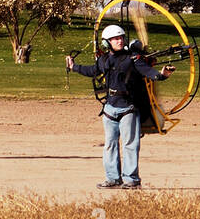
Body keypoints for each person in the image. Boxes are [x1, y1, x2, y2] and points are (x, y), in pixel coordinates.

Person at [67, 24, 174, 189]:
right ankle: (112, 178)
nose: (120, 41)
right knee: (110, 144)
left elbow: (148, 72)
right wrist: (74, 67)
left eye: (121, 38)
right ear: (106, 43)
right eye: (115, 39)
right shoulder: (104, 60)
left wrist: (162, 75)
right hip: (110, 109)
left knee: (130, 144)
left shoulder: (133, 59)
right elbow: (92, 71)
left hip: (128, 108)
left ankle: (131, 180)